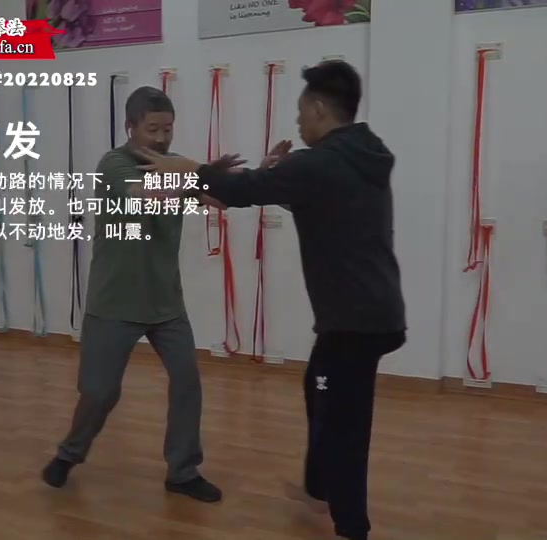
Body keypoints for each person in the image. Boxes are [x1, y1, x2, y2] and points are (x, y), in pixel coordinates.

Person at [136, 60, 407, 540]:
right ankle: (319, 491)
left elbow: (245, 191)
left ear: (319, 108)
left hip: (354, 321)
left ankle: (352, 526)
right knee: (318, 387)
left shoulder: (319, 163)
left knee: (344, 424)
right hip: (373, 310)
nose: (298, 123)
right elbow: (311, 196)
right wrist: (278, 175)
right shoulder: (363, 153)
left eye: (301, 112)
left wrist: (192, 171)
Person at [41, 86, 233, 503]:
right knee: (99, 393)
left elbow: (218, 200)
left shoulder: (174, 165)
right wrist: (195, 174)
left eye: (168, 129)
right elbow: (150, 193)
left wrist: (248, 179)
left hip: (166, 304)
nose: (162, 138)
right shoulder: (113, 164)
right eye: (153, 129)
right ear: (130, 127)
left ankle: (182, 471)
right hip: (114, 303)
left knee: (187, 380)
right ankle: (69, 453)